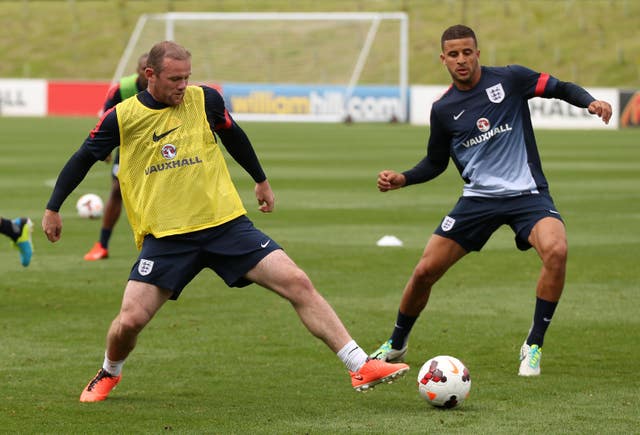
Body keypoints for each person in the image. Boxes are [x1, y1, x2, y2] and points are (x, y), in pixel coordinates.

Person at [42, 40, 409, 402]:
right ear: (150, 75)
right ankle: (109, 371)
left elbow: (234, 135)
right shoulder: (122, 117)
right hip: (168, 238)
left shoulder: (205, 100)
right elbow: (82, 158)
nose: (183, 86)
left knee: (296, 281)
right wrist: (53, 207)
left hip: (226, 225)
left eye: (187, 77)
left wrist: (260, 179)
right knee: (131, 320)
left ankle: (360, 364)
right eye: (175, 79)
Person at [369, 25, 612, 377]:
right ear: (443, 59)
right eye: (453, 54)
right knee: (424, 271)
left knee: (557, 251)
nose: (461, 60)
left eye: (467, 52)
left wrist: (590, 101)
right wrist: (403, 178)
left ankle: (534, 344)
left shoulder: (511, 79)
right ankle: (396, 342)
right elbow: (436, 163)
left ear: (477, 52)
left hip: (527, 194)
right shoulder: (443, 109)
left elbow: (559, 87)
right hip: (478, 200)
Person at [83, 53, 149, 261]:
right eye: (145, 71)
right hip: (130, 148)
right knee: (116, 190)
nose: (149, 76)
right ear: (139, 71)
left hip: (161, 147)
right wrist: (106, 148)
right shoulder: (122, 89)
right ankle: (102, 244)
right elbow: (106, 117)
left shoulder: (166, 87)